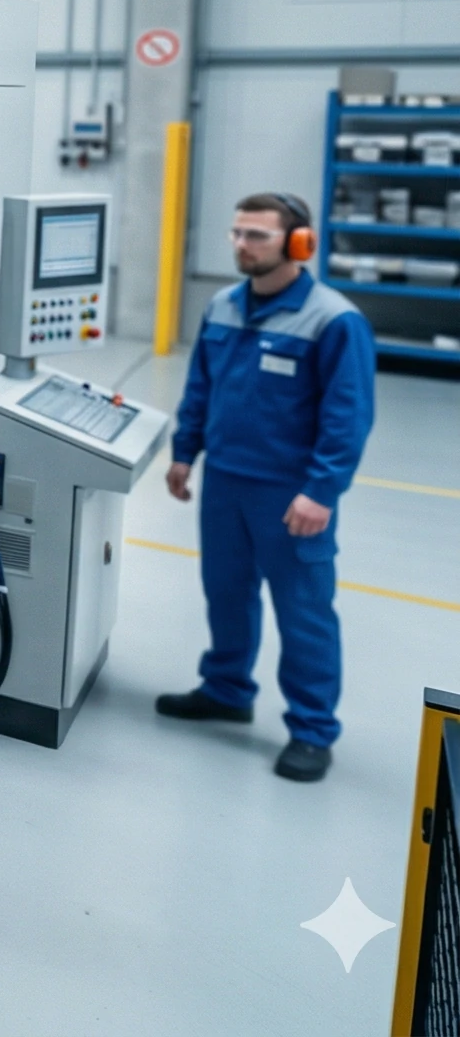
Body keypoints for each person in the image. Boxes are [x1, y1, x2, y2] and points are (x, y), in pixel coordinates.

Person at [157, 191, 375, 782]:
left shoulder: (333, 320)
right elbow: (201, 387)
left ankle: (312, 730)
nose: (241, 245)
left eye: (256, 235)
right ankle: (226, 690)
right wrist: (185, 452)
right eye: (236, 233)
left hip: (290, 493)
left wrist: (322, 491)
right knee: (226, 593)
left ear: (298, 243)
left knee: (303, 611)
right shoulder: (222, 306)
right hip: (226, 481)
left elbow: (348, 416)